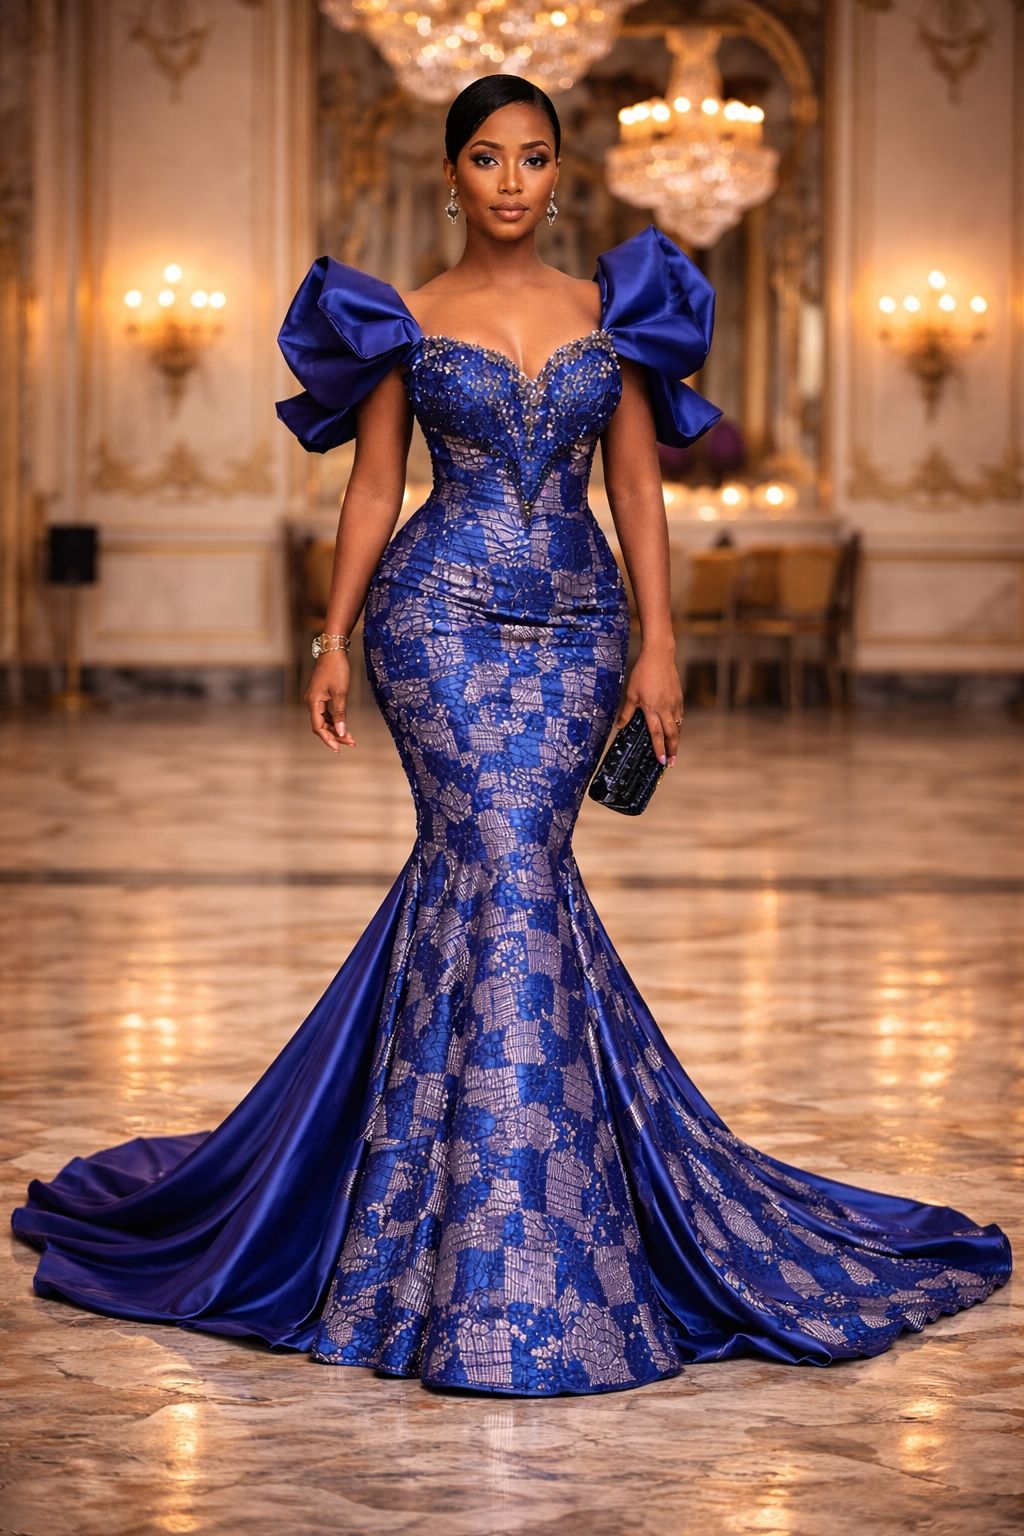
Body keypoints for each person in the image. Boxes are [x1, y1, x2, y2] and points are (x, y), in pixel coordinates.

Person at [12, 75, 1011, 1398]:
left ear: (560, 174)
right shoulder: (402, 318)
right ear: (452, 173)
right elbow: (377, 483)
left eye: (533, 158)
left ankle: (489, 1206)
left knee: (511, 879)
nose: (511, 181)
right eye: (486, 158)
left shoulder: (620, 314)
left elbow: (641, 491)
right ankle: (479, 1240)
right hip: (435, 622)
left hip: (584, 627)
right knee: (494, 868)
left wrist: (661, 639)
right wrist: (331, 632)